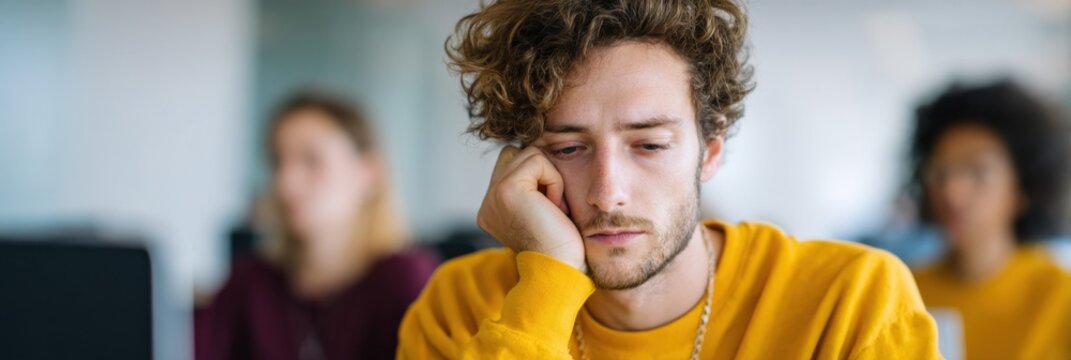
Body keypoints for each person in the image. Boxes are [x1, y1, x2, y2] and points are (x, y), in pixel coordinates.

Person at [397, 0, 940, 358]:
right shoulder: (461, 306)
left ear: (711, 151)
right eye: (568, 148)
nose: (608, 191)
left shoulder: (850, 301)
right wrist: (546, 286)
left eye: (650, 145)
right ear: (521, 167)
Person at [196, 92, 437, 360]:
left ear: (368, 173)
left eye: (312, 161)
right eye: (278, 162)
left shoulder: (404, 281)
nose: (285, 183)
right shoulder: (247, 286)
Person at [908, 80, 1071, 359]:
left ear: (1022, 189)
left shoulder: (1060, 296)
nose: (952, 192)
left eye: (978, 172)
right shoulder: (904, 292)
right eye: (940, 171)